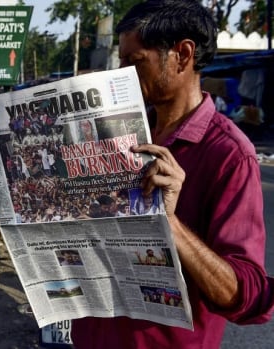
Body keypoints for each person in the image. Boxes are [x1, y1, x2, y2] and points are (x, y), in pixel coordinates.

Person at [70, 1, 274, 348]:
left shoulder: (229, 155)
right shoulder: (122, 135)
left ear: (182, 54)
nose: (122, 73)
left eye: (134, 62)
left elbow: (248, 298)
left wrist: (170, 224)